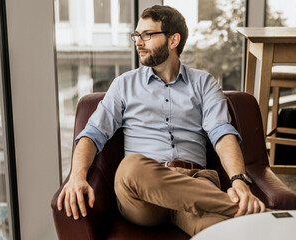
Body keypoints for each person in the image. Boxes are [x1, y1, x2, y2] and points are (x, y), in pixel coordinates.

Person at [57, 5, 267, 236]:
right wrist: (76, 177)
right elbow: (92, 134)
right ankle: (251, 210)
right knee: (130, 167)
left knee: (228, 233)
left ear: (173, 40)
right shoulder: (123, 85)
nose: (138, 42)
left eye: (147, 35)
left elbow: (222, 133)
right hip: (143, 194)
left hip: (196, 184)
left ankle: (245, 215)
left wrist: (238, 180)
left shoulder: (204, 83)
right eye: (137, 35)